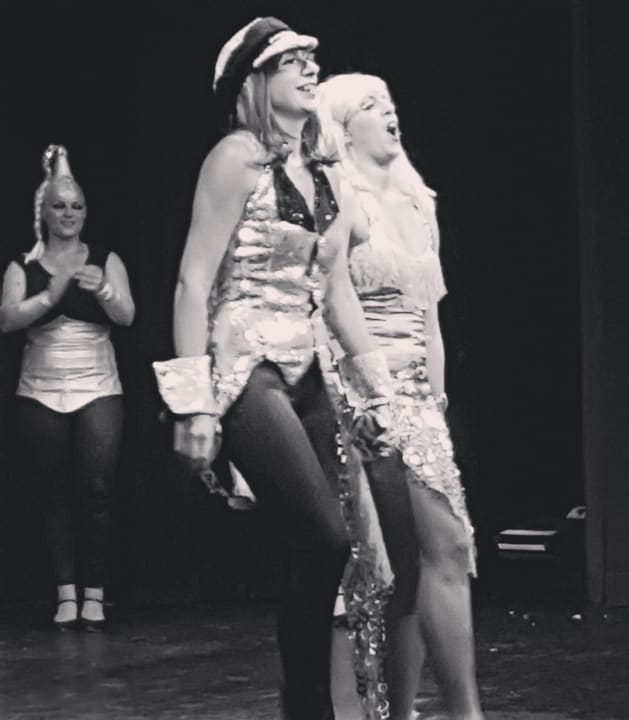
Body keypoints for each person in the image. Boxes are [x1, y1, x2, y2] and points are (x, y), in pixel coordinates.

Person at [152, 19, 394, 720]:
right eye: (292, 61)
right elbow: (193, 282)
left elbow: (336, 292)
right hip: (245, 361)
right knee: (324, 536)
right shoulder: (235, 158)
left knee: (318, 552)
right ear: (255, 81)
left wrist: (376, 390)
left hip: (307, 358)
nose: (310, 69)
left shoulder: (321, 169)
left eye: (313, 59)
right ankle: (308, 705)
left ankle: (307, 704)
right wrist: (194, 402)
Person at [317, 74, 485, 720]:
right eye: (370, 105)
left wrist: (436, 403)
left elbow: (429, 319)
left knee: (436, 556)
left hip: (417, 398)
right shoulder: (340, 199)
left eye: (389, 103)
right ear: (342, 127)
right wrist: (354, 399)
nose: (388, 113)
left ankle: (413, 710)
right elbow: (325, 305)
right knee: (385, 566)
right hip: (362, 396)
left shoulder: (418, 202)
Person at [0, 144, 135, 632]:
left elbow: (127, 315)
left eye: (77, 206)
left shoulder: (104, 259)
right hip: (40, 389)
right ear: (44, 212)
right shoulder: (23, 265)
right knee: (52, 491)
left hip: (97, 386)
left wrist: (103, 289)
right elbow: (7, 319)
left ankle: (95, 593)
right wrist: (50, 295)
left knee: (97, 491)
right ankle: (65, 593)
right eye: (59, 205)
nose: (69, 213)